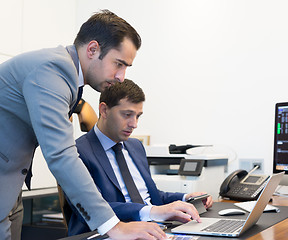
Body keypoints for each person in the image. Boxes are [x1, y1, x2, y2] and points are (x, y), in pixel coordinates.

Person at [0, 9, 166, 240]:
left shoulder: (67, 77)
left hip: (11, 183)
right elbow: (60, 154)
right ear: (92, 49)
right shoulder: (52, 70)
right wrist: (113, 226)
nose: (121, 76)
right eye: (118, 64)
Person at [66, 80, 213, 235]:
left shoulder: (135, 146)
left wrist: (185, 198)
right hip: (111, 233)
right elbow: (93, 208)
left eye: (138, 116)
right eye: (127, 115)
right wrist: (152, 211)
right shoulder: (76, 152)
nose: (134, 124)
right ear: (104, 110)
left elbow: (150, 196)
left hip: (154, 228)